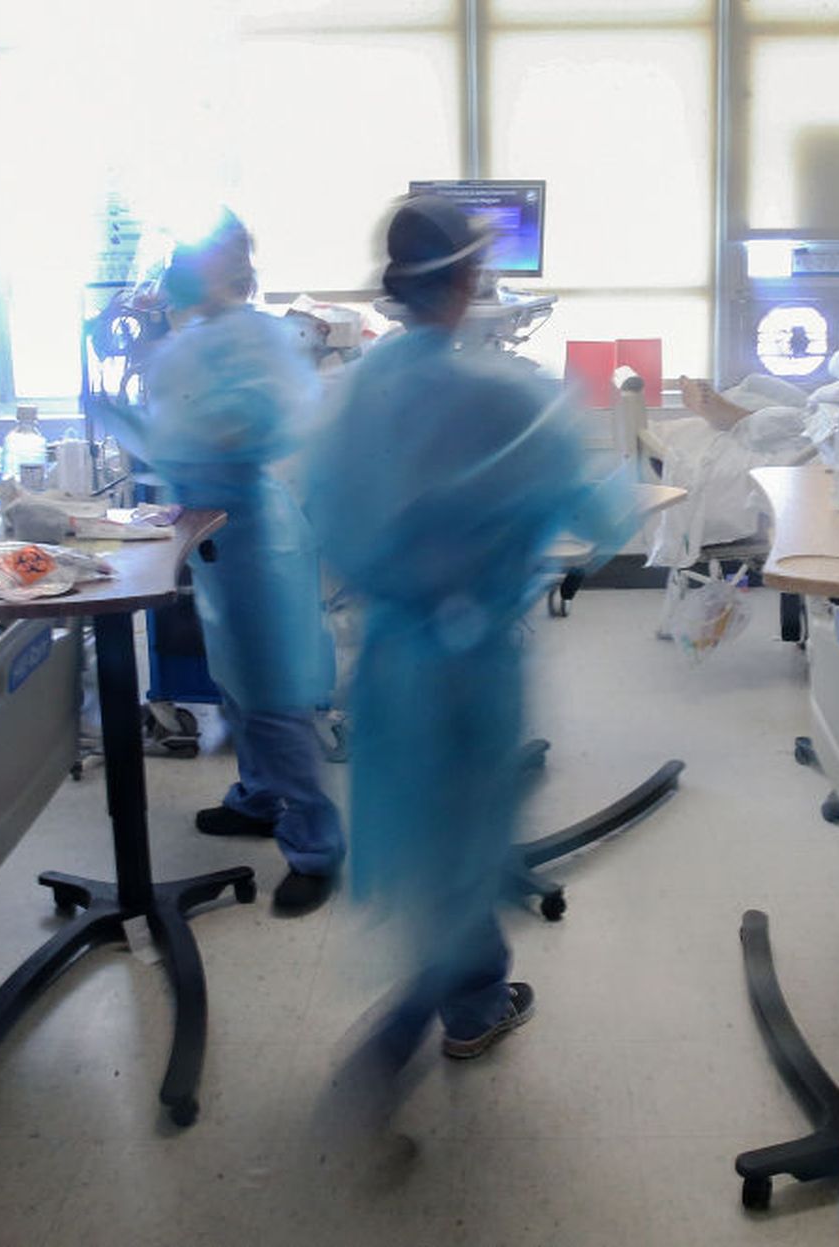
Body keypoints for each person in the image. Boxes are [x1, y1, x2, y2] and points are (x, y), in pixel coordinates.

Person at [306, 196, 634, 1107]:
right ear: (466, 281)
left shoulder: (357, 392)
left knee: (426, 835)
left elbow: (327, 515)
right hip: (469, 664)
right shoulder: (504, 395)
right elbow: (600, 513)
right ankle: (422, 1020)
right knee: (472, 837)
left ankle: (470, 988)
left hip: (387, 658)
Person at [142, 211, 344, 916]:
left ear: (236, 266)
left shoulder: (256, 336)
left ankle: (316, 844)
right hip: (208, 531)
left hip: (252, 530)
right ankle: (259, 798)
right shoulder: (192, 337)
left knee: (270, 692)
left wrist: (198, 429)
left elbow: (265, 421)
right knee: (234, 678)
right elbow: (168, 416)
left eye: (208, 256)